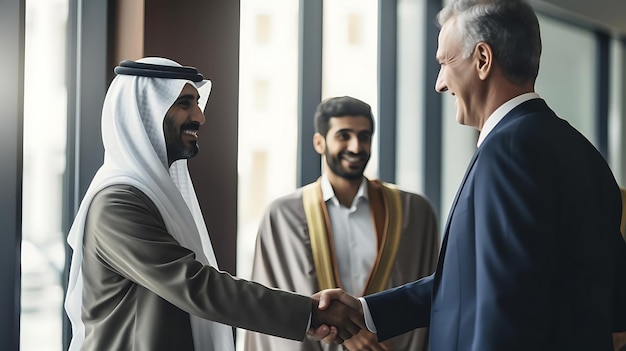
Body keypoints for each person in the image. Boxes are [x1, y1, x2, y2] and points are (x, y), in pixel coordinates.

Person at [312, 1, 626, 350]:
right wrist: (368, 311)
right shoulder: (584, 153)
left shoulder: (507, 151)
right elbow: (478, 282)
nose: (439, 84)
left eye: (445, 63)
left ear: (482, 59)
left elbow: (506, 306)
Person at [63, 57, 364, 351]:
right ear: (145, 112)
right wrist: (308, 313)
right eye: (184, 104)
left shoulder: (148, 196)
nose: (199, 117)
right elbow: (195, 284)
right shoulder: (117, 203)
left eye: (197, 102)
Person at [243, 96, 440, 351]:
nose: (356, 146)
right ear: (319, 142)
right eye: (344, 136)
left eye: (364, 136)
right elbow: (270, 306)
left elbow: (429, 294)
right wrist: (344, 332)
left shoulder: (414, 212)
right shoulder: (283, 216)